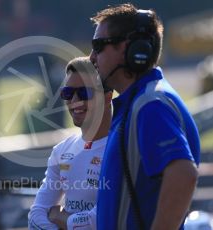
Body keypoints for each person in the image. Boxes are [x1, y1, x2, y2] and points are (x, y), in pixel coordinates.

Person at [89, 3, 200, 229]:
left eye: (99, 46)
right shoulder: (141, 103)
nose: (91, 57)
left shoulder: (151, 105)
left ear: (132, 48)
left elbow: (183, 174)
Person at [28, 57, 113, 229]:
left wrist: (61, 218)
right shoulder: (62, 150)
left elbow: (101, 219)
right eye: (67, 93)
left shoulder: (123, 148)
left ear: (107, 97)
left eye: (84, 93)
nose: (74, 100)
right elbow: (36, 216)